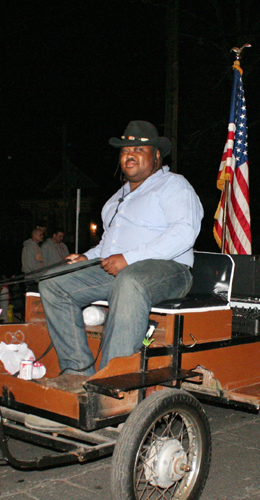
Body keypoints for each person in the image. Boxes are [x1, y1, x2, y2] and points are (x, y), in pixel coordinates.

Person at [39, 120, 203, 376]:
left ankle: (112, 380)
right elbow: (109, 244)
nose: (130, 154)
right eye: (126, 150)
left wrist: (129, 258)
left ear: (156, 156)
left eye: (139, 149)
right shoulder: (118, 198)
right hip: (123, 270)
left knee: (129, 281)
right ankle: (77, 372)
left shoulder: (174, 185)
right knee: (52, 282)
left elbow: (184, 233)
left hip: (170, 270)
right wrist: (86, 257)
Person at [21, 226, 44, 291]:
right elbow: (31, 265)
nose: (42, 236)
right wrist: (38, 277)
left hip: (36, 278)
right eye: (40, 235)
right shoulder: (30, 247)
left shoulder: (36, 247)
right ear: (34, 235)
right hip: (32, 279)